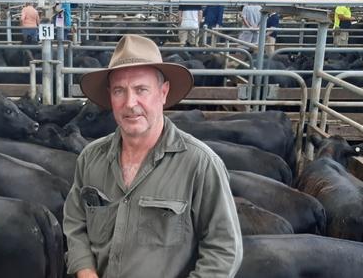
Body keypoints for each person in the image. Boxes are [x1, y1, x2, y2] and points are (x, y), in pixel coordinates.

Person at [64, 35, 243, 278]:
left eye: (141, 89)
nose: (130, 103)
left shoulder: (200, 165)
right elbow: (75, 222)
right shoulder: (90, 158)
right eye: (119, 91)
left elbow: (224, 250)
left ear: (163, 92)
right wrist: (85, 270)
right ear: (110, 97)